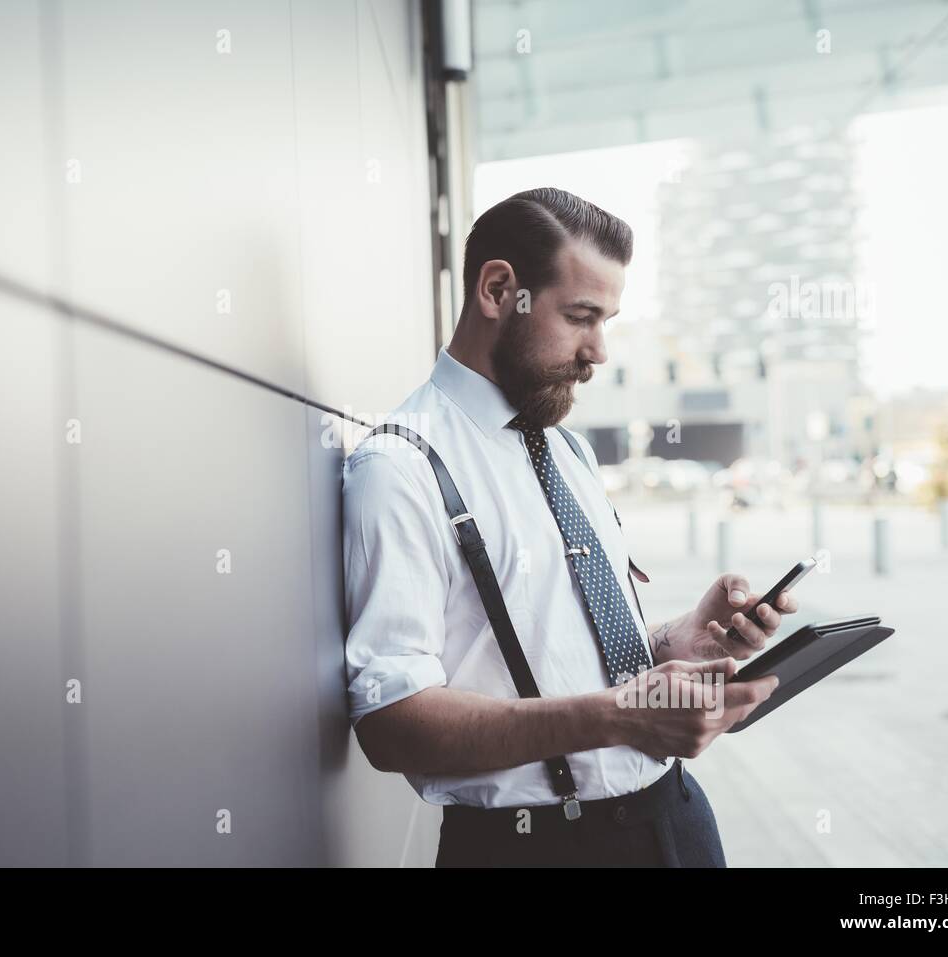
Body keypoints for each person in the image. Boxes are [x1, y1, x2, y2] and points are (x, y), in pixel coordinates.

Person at [341, 187, 796, 867]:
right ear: (498, 290)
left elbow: (560, 647)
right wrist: (618, 713)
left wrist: (680, 639)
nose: (600, 351)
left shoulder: (567, 450)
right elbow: (391, 723)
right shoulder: (400, 465)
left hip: (674, 819)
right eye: (581, 317)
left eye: (607, 320)